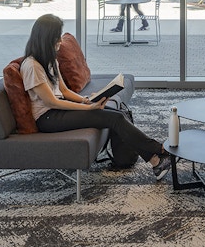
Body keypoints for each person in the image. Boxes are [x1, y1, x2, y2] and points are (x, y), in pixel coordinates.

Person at [20, 14, 172, 180]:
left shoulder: (49, 60)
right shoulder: (32, 66)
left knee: (117, 115)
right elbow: (52, 102)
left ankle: (156, 161)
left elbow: (63, 91)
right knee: (114, 119)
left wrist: (86, 100)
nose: (60, 41)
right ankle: (160, 150)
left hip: (59, 109)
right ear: (46, 38)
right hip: (48, 118)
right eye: (57, 37)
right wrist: (88, 108)